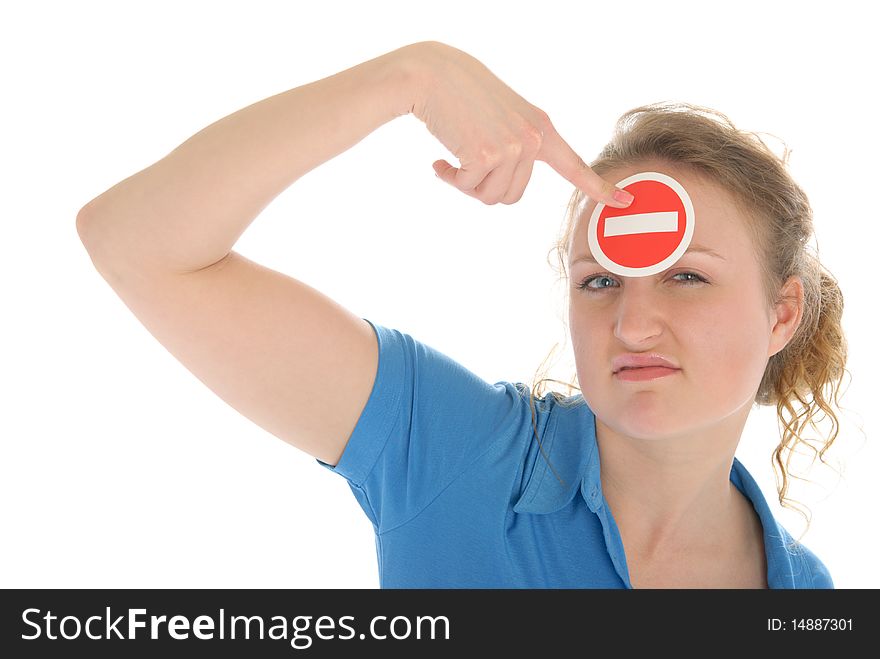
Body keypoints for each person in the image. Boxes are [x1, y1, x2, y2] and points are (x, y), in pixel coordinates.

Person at [76, 41, 846, 588]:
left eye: (685, 275)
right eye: (600, 283)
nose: (634, 323)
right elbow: (135, 242)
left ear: (781, 314)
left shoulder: (806, 598)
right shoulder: (452, 450)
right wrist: (410, 75)